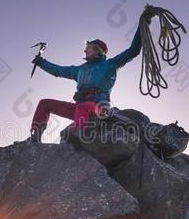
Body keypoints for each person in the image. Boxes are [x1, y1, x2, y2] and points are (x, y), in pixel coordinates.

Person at [23, 8, 151, 143]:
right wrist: (41, 62)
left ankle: (79, 137)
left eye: (88, 48)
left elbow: (133, 50)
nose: (85, 50)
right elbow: (58, 71)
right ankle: (35, 137)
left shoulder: (110, 65)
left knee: (83, 107)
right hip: (79, 109)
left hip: (99, 109)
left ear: (97, 50)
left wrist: (144, 23)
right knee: (45, 103)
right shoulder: (80, 70)